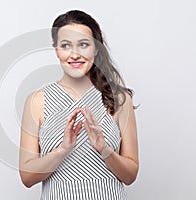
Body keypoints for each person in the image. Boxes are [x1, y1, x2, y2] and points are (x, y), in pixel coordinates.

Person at [19, 10, 139, 200]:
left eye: (83, 44)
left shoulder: (119, 99)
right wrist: (62, 150)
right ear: (56, 50)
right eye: (66, 45)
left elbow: (130, 175)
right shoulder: (37, 101)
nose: (75, 54)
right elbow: (27, 177)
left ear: (96, 48)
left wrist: (104, 149)